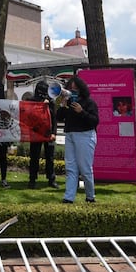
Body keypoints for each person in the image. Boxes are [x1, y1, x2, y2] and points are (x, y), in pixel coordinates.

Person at [56, 76, 99, 204]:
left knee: (85, 168)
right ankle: (69, 197)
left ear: (81, 89)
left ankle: (90, 196)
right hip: (70, 135)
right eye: (70, 88)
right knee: (71, 167)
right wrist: (63, 105)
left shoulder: (89, 103)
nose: (72, 91)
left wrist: (82, 112)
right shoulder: (68, 102)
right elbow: (59, 117)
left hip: (85, 135)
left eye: (75, 88)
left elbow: (94, 121)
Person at [28, 80, 58, 189]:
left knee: (50, 157)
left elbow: (54, 119)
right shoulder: (31, 101)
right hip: (36, 132)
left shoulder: (51, 102)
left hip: (48, 133)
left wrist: (54, 133)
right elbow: (28, 115)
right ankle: (32, 179)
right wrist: (40, 104)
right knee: (34, 157)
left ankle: (51, 179)